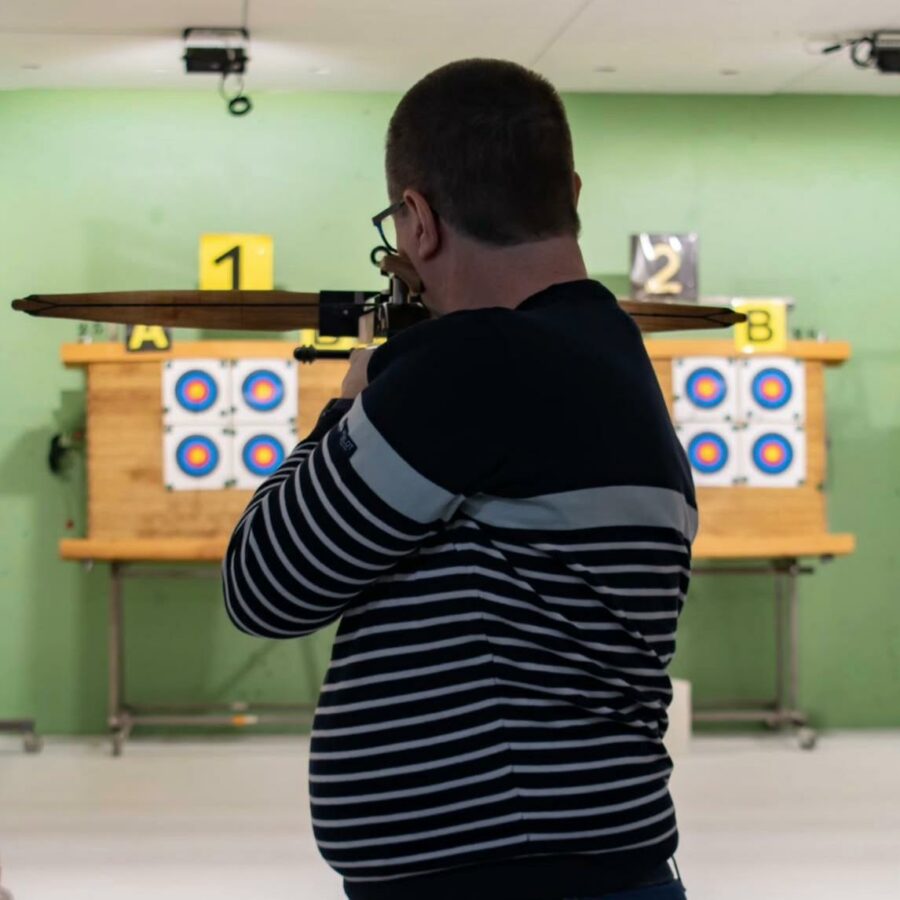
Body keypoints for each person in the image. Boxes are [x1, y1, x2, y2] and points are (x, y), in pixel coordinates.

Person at [223, 58, 694, 900]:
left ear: (417, 221)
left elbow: (264, 584)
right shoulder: (610, 353)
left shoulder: (474, 364)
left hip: (504, 879)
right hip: (588, 864)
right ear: (570, 193)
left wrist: (350, 403)